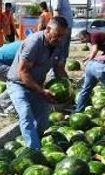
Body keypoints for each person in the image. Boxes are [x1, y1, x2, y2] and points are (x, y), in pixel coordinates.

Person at [6, 17, 70, 150]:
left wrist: (68, 86)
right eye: (57, 35)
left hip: (37, 85)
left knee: (42, 121)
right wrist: (41, 91)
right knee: (25, 112)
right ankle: (34, 150)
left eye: (62, 36)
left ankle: (39, 141)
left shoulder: (59, 44)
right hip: (18, 84)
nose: (60, 39)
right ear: (48, 30)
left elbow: (59, 68)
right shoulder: (33, 43)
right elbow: (23, 72)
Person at [51, 0, 74, 77]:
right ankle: (54, 76)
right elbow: (56, 14)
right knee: (58, 54)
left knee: (64, 54)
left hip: (67, 30)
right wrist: (59, 31)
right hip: (62, 31)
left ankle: (61, 74)